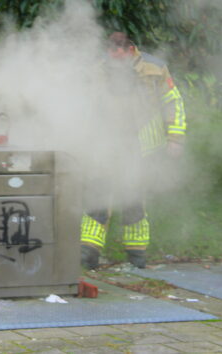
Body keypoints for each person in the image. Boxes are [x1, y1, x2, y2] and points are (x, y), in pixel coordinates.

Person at [80, 31, 186, 269]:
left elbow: (173, 103)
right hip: (105, 141)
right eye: (110, 56)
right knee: (98, 194)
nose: (114, 61)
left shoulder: (155, 68)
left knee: (134, 199)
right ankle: (87, 254)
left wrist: (175, 138)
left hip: (142, 143)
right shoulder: (96, 68)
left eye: (118, 56)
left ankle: (136, 257)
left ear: (129, 50)